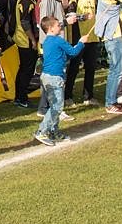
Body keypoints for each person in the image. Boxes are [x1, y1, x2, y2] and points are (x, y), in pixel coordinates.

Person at [34, 16, 89, 146]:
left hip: (47, 77)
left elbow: (64, 55)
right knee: (57, 107)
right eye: (58, 25)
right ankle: (42, 131)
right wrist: (81, 42)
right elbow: (74, 52)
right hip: (54, 77)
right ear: (51, 28)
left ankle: (54, 131)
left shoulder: (47, 41)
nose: (61, 27)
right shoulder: (58, 40)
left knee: (55, 104)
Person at [94, 0, 122, 115]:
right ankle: (109, 102)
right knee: (116, 70)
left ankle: (113, 101)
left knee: (118, 70)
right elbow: (114, 7)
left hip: (118, 35)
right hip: (113, 36)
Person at [64, 0, 99, 106]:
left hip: (92, 35)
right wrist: (83, 17)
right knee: (74, 67)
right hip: (78, 36)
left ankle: (88, 96)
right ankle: (68, 96)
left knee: (90, 67)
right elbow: (70, 14)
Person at [13, 0, 39, 107]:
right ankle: (21, 98)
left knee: (26, 69)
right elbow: (24, 22)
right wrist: (33, 40)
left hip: (28, 39)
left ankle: (21, 96)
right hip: (25, 40)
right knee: (26, 70)